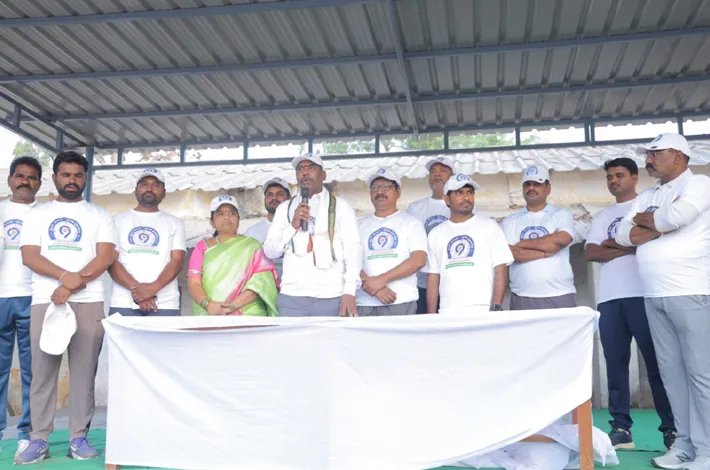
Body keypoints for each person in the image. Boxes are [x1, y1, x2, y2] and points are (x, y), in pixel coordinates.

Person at [615, 133, 710, 470]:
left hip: (690, 291)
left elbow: (676, 218)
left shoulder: (699, 184)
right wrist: (658, 223)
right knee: (672, 376)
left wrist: (651, 221)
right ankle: (684, 446)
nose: (649, 159)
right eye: (649, 154)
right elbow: (621, 235)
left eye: (656, 153)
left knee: (701, 374)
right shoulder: (649, 195)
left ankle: (707, 451)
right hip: (654, 295)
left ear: (678, 156)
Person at [17, 151, 116, 464]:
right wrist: (63, 278)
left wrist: (70, 285)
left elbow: (105, 257)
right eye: (66, 175)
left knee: (84, 374)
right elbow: (30, 256)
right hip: (45, 301)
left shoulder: (100, 215)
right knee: (42, 373)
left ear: (85, 179)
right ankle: (38, 439)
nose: (72, 180)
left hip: (88, 301)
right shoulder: (37, 214)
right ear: (55, 178)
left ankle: (78, 438)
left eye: (78, 175)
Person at [586, 158, 675, 451]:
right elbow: (592, 252)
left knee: (657, 365)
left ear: (635, 178)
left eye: (619, 175)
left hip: (644, 295)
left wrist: (612, 244)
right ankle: (621, 429)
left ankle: (671, 429)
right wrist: (630, 245)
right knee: (615, 367)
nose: (614, 180)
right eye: (610, 176)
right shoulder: (602, 216)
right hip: (610, 299)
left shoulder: (646, 207)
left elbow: (654, 238)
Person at [264, 153, 361, 317]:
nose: (305, 172)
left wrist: (350, 291)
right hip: (292, 297)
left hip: (331, 295)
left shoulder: (341, 207)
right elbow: (270, 252)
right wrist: (292, 226)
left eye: (311, 168)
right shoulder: (284, 208)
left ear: (323, 175)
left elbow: (353, 250)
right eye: (300, 169)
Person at [0, 156, 41, 459]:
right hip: (0, 297)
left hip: (33, 297)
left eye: (31, 177)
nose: (25, 181)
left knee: (32, 371)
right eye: (20, 176)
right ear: (10, 179)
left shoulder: (47, 213)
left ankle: (27, 434)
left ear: (39, 183)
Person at [427, 174, 513, 313]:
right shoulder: (436, 233)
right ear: (446, 199)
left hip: (483, 309)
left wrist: (496, 306)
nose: (466, 197)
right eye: (459, 193)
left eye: (469, 192)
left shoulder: (490, 226)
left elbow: (500, 269)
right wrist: (431, 316)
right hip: (448, 311)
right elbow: (433, 277)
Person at [108, 168, 186, 316]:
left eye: (156, 185)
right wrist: (138, 291)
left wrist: (153, 288)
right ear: (135, 190)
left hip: (165, 303)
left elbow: (177, 260)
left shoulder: (175, 223)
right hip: (123, 302)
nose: (149, 189)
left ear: (164, 192)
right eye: (144, 184)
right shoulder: (116, 220)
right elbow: (111, 260)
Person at [500, 165, 577, 310]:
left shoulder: (561, 214)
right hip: (522, 296)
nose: (531, 188)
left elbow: (562, 239)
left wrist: (523, 243)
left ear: (548, 189)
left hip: (560, 294)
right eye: (527, 184)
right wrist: (546, 252)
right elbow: (511, 253)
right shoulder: (510, 221)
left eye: (537, 184)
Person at [187, 195, 278, 316]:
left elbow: (261, 283)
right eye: (220, 213)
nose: (226, 217)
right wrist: (207, 304)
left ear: (238, 219)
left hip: (248, 315)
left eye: (232, 213)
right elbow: (194, 283)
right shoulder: (201, 248)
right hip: (210, 314)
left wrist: (232, 306)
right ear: (212, 222)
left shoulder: (253, 246)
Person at [357, 168, 426, 316]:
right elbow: (348, 260)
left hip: (400, 301)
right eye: (375, 187)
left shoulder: (411, 223)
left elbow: (418, 260)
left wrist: (382, 279)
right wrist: (373, 287)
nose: (380, 191)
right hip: (363, 302)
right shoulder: (358, 225)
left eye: (386, 186)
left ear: (398, 192)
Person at [406, 156, 454, 313]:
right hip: (423, 282)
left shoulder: (463, 206)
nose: (437, 174)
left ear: (452, 177)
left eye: (443, 171)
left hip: (453, 282)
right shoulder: (415, 208)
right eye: (433, 171)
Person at [244, 177, 290, 278]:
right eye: (270, 194)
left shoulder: (296, 228)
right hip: (263, 286)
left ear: (289, 199)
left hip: (292, 285)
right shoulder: (251, 233)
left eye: (279, 194)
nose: (274, 198)